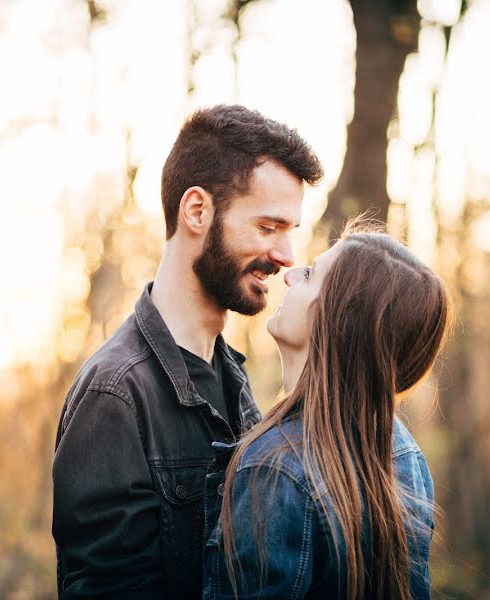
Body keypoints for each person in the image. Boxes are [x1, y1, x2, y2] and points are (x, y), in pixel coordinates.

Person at [52, 104, 323, 599]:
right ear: (197, 211)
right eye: (268, 228)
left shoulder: (233, 380)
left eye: (291, 232)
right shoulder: (115, 395)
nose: (287, 257)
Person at [203, 219, 451, 600]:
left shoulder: (274, 468)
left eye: (310, 274)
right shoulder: (403, 453)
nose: (288, 277)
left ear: (332, 318)